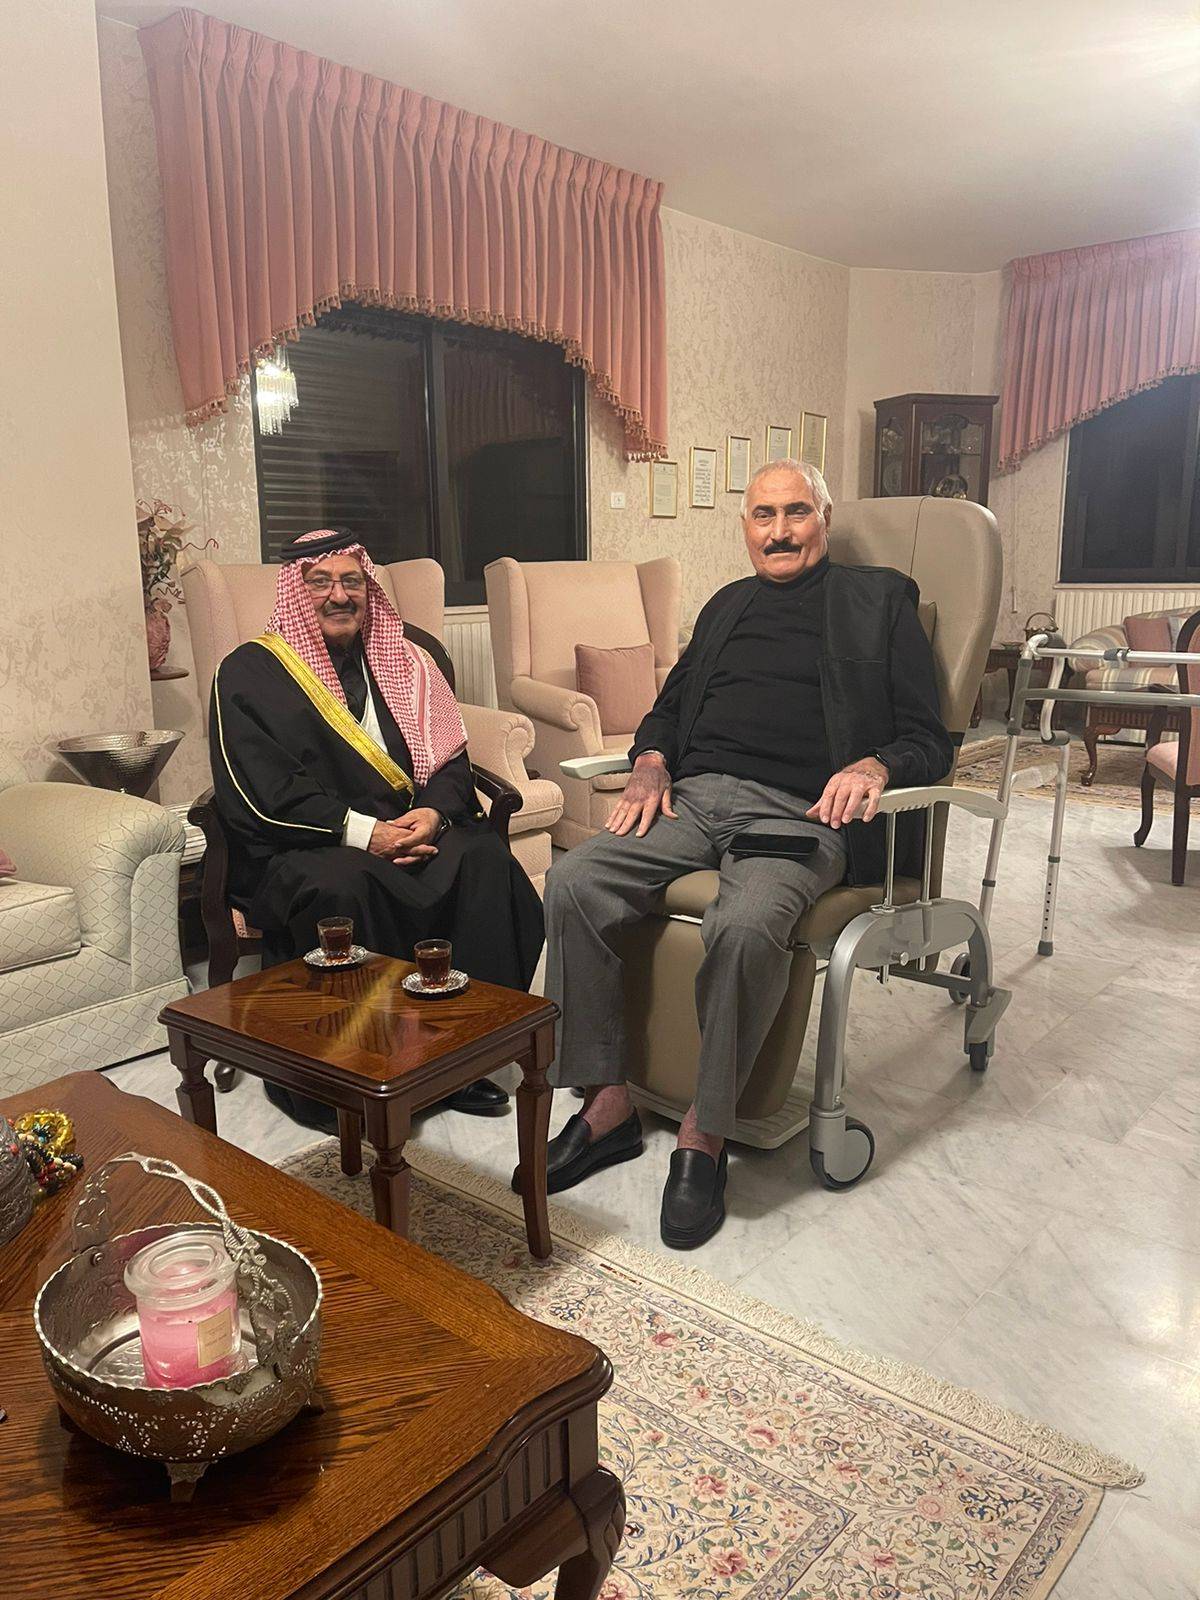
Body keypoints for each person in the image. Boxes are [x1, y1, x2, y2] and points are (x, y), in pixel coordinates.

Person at [536, 461, 952, 1248]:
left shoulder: (879, 601)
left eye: (797, 513)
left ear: (825, 520)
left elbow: (929, 739)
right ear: (745, 527)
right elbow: (667, 710)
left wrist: (874, 766)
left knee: (747, 921)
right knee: (574, 880)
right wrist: (650, 761)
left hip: (800, 812)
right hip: (692, 799)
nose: (780, 531)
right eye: (764, 515)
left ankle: (707, 1130)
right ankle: (607, 1100)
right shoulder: (726, 606)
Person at [211, 528, 544, 1131]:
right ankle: (347, 1079)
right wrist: (368, 834)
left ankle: (460, 1056)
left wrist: (434, 814)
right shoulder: (248, 673)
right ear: (296, 592)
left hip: (411, 825)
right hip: (311, 840)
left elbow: (450, 761)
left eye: (351, 581)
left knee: (483, 861)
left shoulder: (405, 659)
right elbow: (264, 789)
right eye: (321, 583)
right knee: (343, 890)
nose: (339, 596)